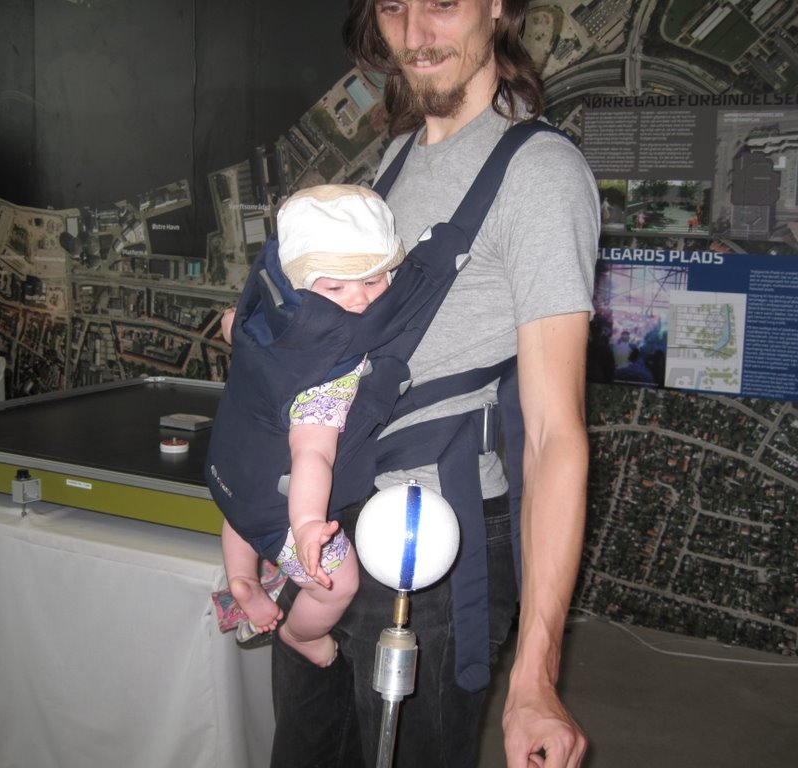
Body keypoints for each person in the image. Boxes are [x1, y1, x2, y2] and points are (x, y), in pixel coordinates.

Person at [269, 2, 599, 768]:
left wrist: (536, 676)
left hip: (430, 549)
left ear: (498, 7)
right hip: (335, 519)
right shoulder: (398, 158)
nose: (416, 35)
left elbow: (554, 436)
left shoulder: (541, 175)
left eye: (442, 2)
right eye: (395, 6)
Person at [214, 184, 404, 667]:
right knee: (338, 585)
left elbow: (229, 323)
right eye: (335, 288)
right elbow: (312, 453)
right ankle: (299, 634)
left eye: (373, 281)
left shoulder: (265, 314)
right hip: (283, 509)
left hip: (229, 472)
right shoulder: (326, 376)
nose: (358, 300)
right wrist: (307, 526)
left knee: (244, 506)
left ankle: (243, 578)